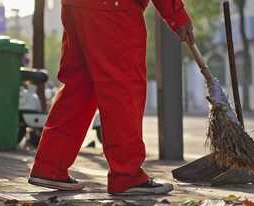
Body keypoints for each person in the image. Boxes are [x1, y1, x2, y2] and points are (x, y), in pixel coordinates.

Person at [29, 0, 194, 195]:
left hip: (76, 6)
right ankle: (127, 175)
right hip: (113, 9)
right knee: (123, 87)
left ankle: (50, 166)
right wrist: (177, 16)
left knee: (80, 86)